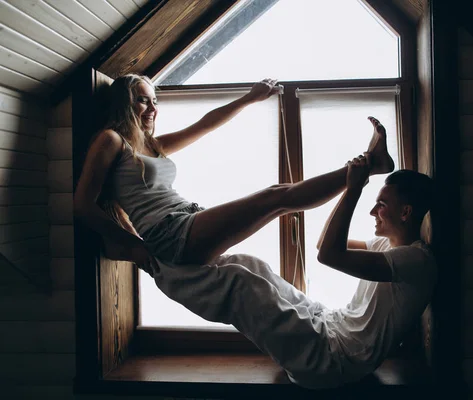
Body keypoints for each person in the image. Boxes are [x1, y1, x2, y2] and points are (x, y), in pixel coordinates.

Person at [73, 73, 436, 389]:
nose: (152, 109)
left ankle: (371, 165)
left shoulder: (151, 146)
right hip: (169, 234)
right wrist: (133, 245)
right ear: (124, 103)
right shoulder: (111, 141)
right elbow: (82, 205)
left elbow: (205, 124)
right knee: (275, 197)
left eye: (155, 101)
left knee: (276, 203)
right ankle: (369, 164)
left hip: (184, 220)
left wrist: (249, 98)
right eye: (142, 101)